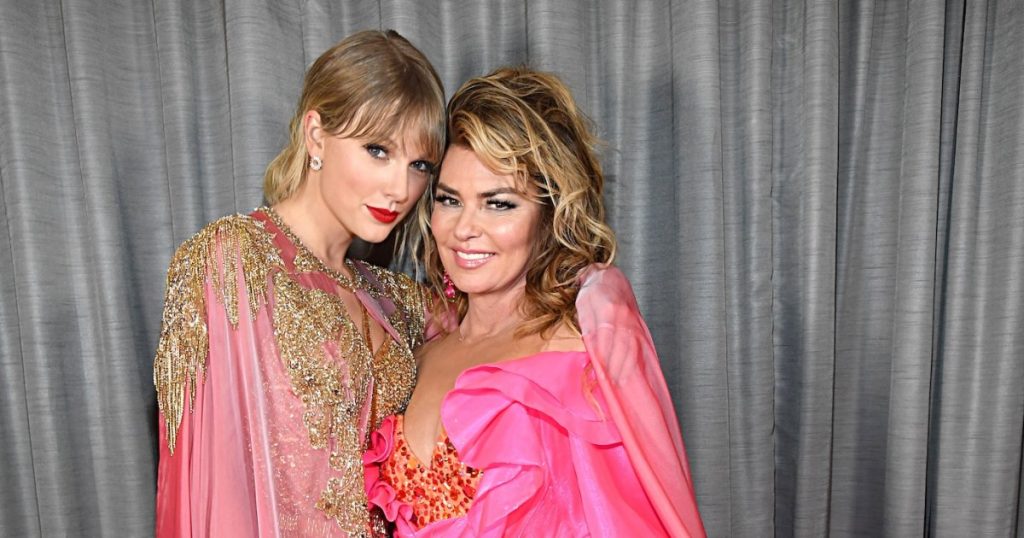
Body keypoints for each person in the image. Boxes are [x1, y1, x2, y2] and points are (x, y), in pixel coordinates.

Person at [363, 67, 707, 537]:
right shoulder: (417, 350)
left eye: (498, 203)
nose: (465, 228)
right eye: (449, 200)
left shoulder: (577, 368)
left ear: (549, 216)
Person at [153, 30, 446, 537]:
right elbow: (211, 487)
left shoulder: (394, 300)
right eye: (377, 150)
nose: (400, 188)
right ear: (316, 135)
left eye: (418, 164)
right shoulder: (235, 261)